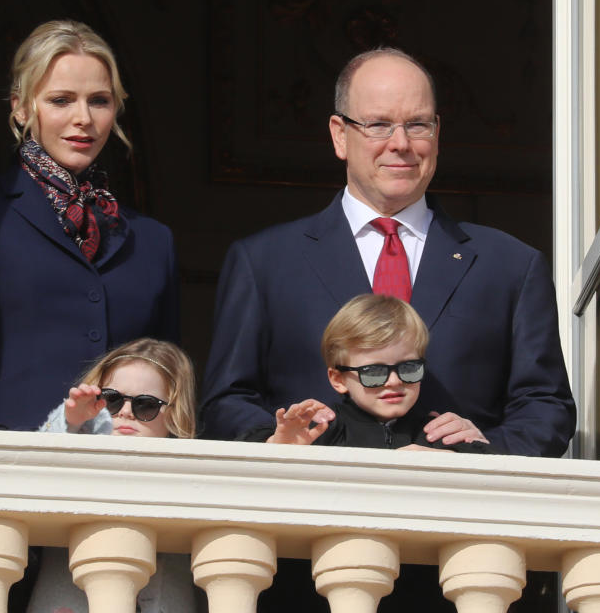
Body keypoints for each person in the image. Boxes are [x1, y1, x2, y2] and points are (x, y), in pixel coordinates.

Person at [201, 47, 575, 458]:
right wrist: (280, 445)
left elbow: (546, 409)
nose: (401, 144)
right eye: (378, 125)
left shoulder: (510, 266)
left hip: (460, 512)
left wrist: (474, 457)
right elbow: (226, 401)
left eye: (417, 125)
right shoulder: (264, 262)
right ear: (340, 135)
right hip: (311, 508)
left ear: (437, 133)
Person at [0, 20, 178, 431]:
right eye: (61, 100)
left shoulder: (153, 241)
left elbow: (169, 383)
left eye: (99, 101)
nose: (83, 118)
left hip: (122, 480)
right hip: (0, 476)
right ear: (21, 107)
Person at [26, 338, 200, 613]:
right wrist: (72, 422)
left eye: (146, 405)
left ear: (174, 412)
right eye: (113, 400)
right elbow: (31, 471)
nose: (127, 413)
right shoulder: (77, 456)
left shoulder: (188, 475)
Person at [245, 294, 494, 454]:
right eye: (374, 372)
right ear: (338, 379)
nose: (394, 381)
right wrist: (277, 449)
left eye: (409, 368)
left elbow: (496, 477)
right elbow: (241, 458)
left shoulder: (438, 432)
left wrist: (453, 460)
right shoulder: (320, 429)